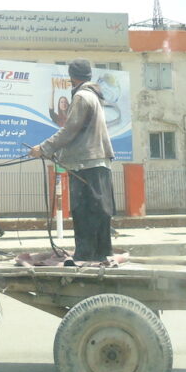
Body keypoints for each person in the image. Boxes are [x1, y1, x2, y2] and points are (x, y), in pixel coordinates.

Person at [29, 58, 115, 262]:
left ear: (71, 77)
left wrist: (43, 148)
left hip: (85, 164)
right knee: (100, 211)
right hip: (97, 161)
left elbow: (70, 130)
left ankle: (85, 256)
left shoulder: (82, 97)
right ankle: (102, 253)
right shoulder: (94, 96)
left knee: (83, 212)